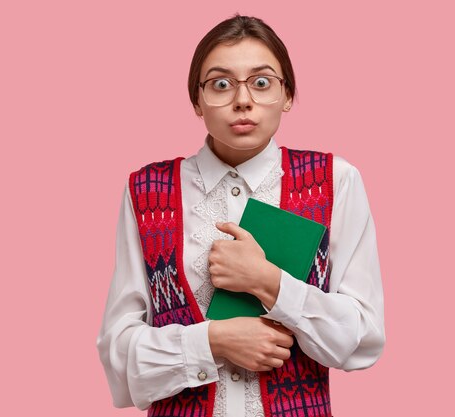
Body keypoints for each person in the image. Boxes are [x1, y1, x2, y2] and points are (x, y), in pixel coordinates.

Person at [96, 14, 385, 417]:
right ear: (197, 100)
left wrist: (270, 283)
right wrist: (213, 341)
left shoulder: (335, 181)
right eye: (220, 84)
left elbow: (362, 339)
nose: (242, 100)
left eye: (262, 82)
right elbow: (118, 355)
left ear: (287, 95)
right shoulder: (147, 191)